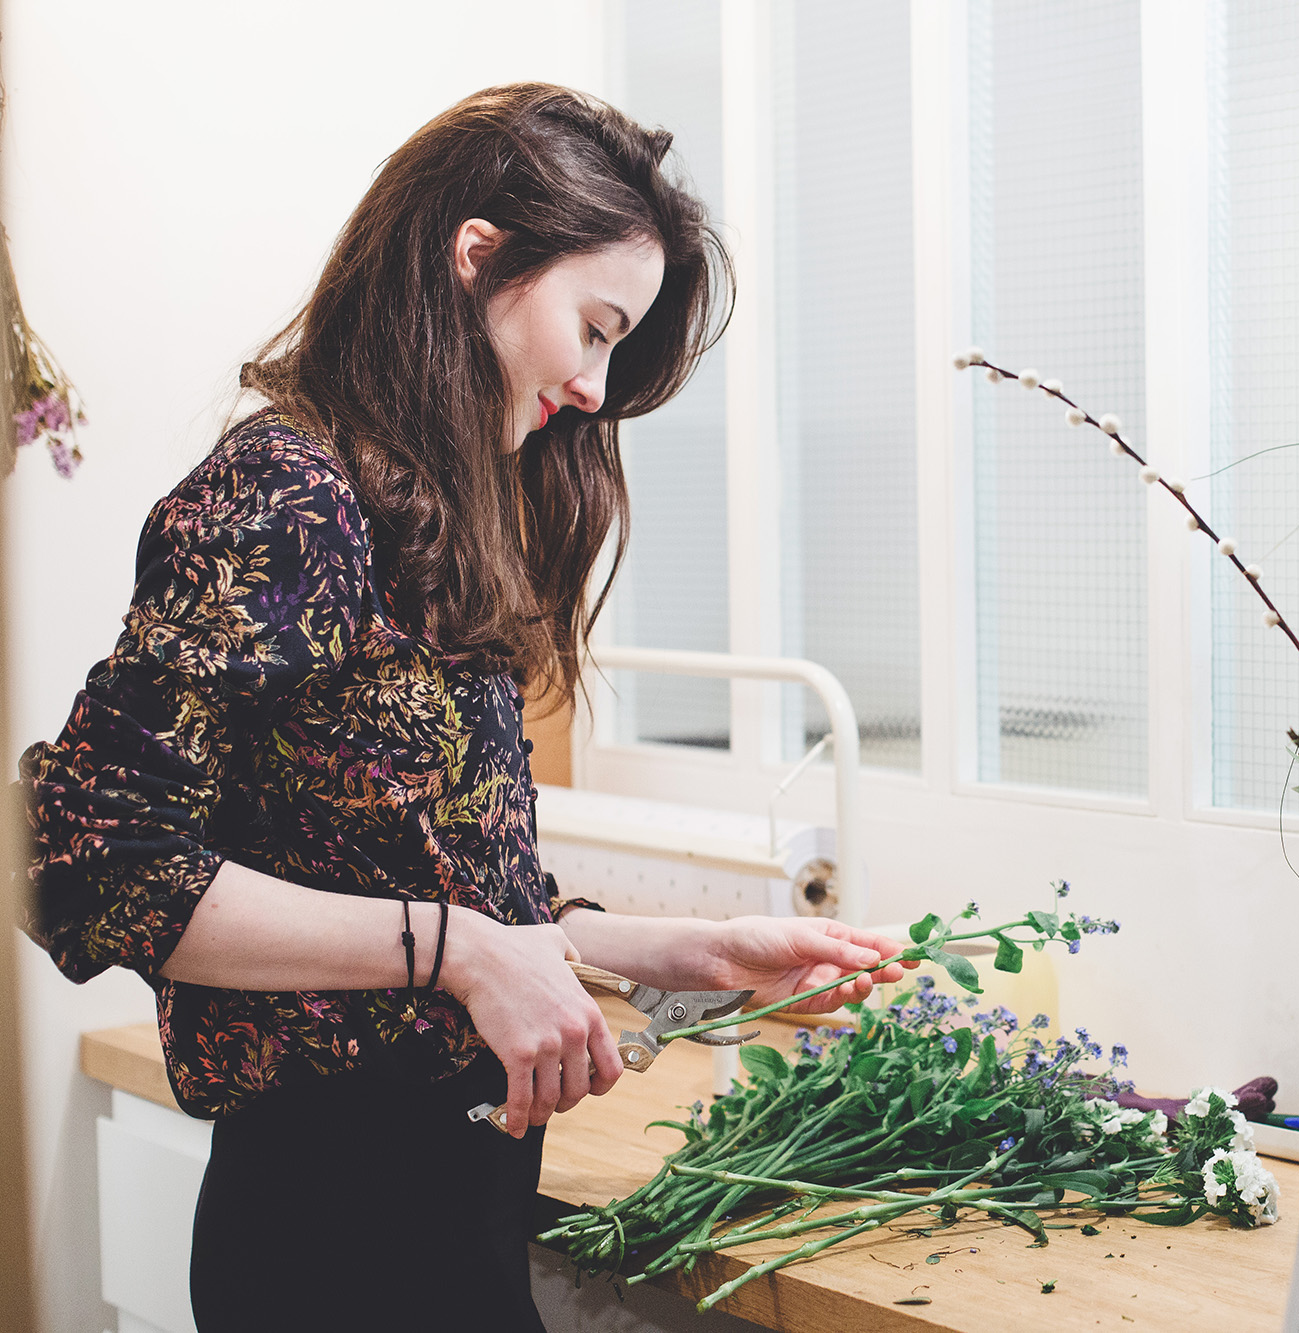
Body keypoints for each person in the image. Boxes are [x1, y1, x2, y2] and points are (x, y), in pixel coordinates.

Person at [19, 83, 904, 1333]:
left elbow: (418, 871)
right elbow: (93, 863)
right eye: (593, 329)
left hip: (455, 1213)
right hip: (328, 1239)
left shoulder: (415, 520)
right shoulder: (286, 492)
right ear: (475, 255)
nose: (595, 387)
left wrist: (675, 954)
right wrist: (461, 948)